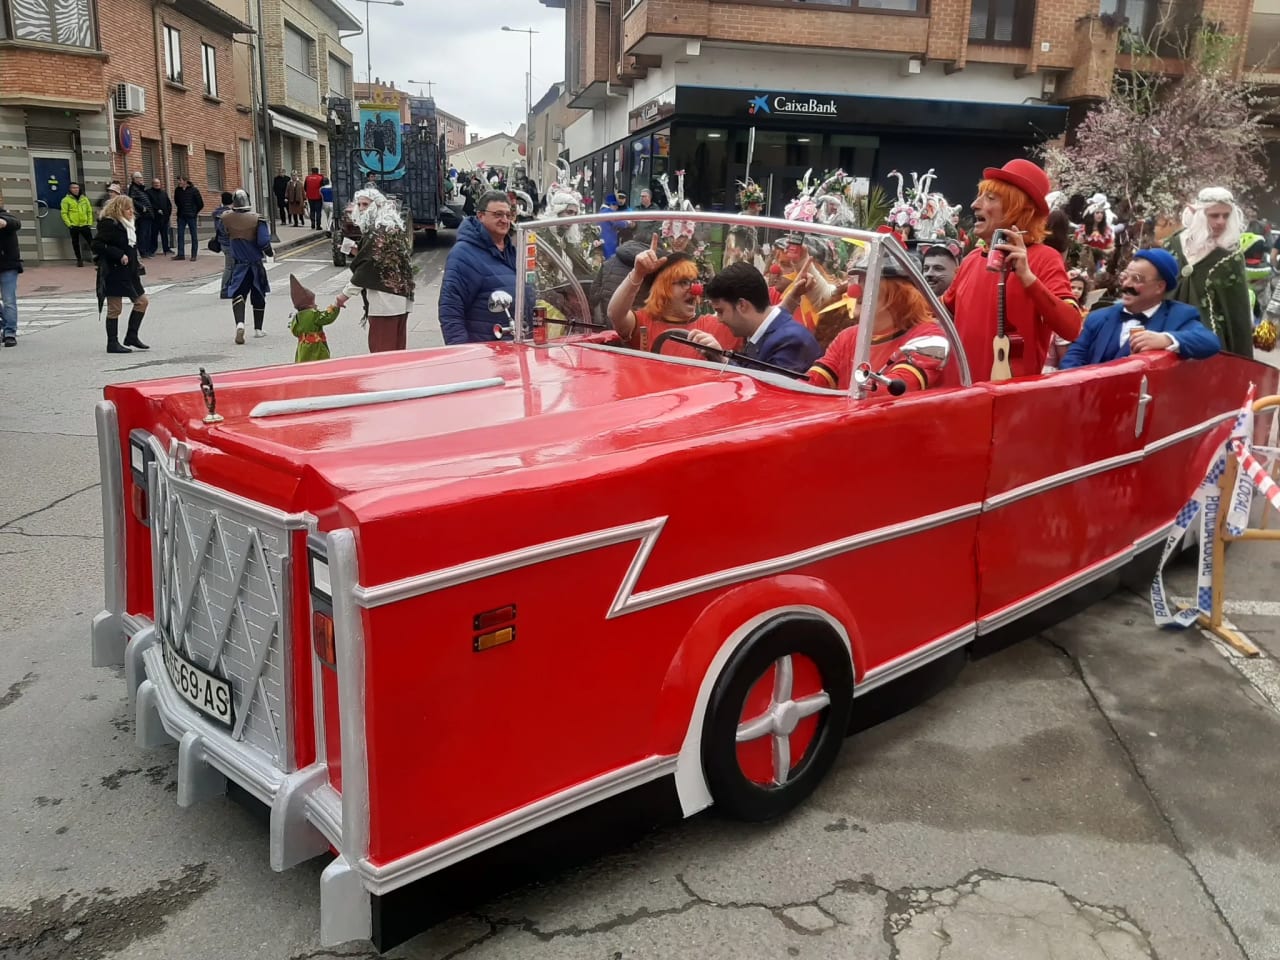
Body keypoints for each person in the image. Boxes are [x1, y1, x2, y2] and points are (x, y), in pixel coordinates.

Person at [943, 159, 1083, 380]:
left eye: (990, 198)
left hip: (1008, 397)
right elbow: (938, 313)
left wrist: (1028, 278)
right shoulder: (971, 260)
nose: (975, 204)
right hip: (959, 393)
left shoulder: (1045, 259)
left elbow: (1071, 328)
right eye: (980, 196)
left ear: (1018, 210)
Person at [1060, 248, 1220, 369]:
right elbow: (1073, 359)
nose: (1126, 284)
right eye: (1125, 277)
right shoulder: (1097, 317)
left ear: (1159, 287)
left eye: (1136, 279)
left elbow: (1209, 342)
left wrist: (1166, 339)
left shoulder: (1178, 316)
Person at [806, 262, 947, 393]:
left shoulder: (927, 337)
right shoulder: (848, 336)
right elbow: (813, 382)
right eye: (858, 281)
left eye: (868, 282)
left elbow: (893, 391)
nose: (854, 292)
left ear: (899, 292)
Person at [606, 235, 737, 359]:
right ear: (663, 289)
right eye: (684, 282)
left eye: (694, 282)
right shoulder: (644, 322)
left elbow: (747, 326)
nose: (694, 290)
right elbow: (615, 315)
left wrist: (721, 358)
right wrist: (637, 273)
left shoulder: (716, 324)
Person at [1165, 187, 1253, 359]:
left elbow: (1237, 311)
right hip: (1165, 331)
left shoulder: (1231, 256)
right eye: (1214, 215)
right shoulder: (1173, 244)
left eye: (1226, 215)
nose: (1221, 221)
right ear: (1198, 214)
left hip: (1208, 342)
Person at [686, 262, 821, 374]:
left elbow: (768, 392)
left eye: (720, 311)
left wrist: (722, 360)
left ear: (742, 305)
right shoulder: (766, 333)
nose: (719, 320)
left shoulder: (791, 342)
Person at [337, 188, 415, 352]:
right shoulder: (393, 228)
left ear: (378, 206)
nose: (361, 208)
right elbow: (385, 260)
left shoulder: (376, 233)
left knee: (382, 353)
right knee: (397, 352)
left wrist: (343, 296)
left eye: (365, 204)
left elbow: (367, 268)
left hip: (384, 301)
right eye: (359, 204)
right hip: (400, 297)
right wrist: (358, 251)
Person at [438, 190, 517, 344]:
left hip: (517, 346)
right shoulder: (463, 254)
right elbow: (450, 310)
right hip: (486, 349)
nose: (504, 220)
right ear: (480, 216)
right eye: (498, 214)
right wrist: (462, 352)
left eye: (508, 215)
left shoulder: (513, 249)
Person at [92, 193, 150, 353]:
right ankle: (112, 343)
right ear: (118, 209)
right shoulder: (109, 224)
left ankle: (132, 336)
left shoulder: (129, 224)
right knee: (115, 308)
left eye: (131, 208)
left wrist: (136, 260)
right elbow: (96, 244)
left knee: (142, 302)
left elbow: (131, 246)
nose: (131, 211)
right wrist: (119, 255)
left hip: (130, 272)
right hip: (114, 271)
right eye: (127, 208)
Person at [220, 189, 272, 344]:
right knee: (258, 294)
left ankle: (240, 324)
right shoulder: (257, 220)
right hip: (255, 264)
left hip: (239, 265)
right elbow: (263, 242)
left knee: (238, 294)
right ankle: (258, 329)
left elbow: (221, 236)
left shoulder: (226, 218)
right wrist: (269, 252)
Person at [289, 274, 341, 362]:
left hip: (302, 346)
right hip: (315, 346)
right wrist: (335, 307)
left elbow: (294, 331)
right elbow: (326, 318)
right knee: (319, 363)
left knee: (304, 363)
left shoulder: (297, 316)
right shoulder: (313, 314)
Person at [0, 193, 22, 347]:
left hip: (8, 265)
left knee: (9, 300)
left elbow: (15, 223)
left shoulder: (6, 217)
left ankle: (10, 333)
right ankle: (4, 324)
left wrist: (4, 222)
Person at [60, 181, 95, 268]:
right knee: (75, 243)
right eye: (73, 188)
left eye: (77, 188)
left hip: (85, 224)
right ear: (70, 189)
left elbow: (89, 211)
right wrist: (69, 224)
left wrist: (89, 222)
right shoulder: (66, 200)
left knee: (91, 242)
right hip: (74, 225)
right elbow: (64, 213)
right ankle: (79, 260)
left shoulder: (84, 199)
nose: (76, 189)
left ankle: (97, 258)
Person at [172, 175, 203, 261]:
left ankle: (194, 255)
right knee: (180, 235)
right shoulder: (177, 190)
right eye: (178, 181)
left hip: (191, 216)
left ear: (185, 181)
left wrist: (194, 212)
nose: (179, 182)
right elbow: (176, 201)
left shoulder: (194, 190)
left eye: (180, 180)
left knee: (193, 235)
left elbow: (200, 204)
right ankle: (180, 254)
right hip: (181, 215)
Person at [127, 172, 155, 258]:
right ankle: (143, 252)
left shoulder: (141, 188)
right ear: (135, 179)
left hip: (148, 214)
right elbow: (132, 200)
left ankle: (147, 251)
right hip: (142, 215)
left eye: (141, 178)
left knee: (147, 234)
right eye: (139, 178)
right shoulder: (133, 188)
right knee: (143, 234)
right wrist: (142, 208)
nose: (141, 180)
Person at [211, 190, 234, 296]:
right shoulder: (227, 215)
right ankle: (225, 289)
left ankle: (230, 287)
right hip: (229, 243)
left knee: (231, 266)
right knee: (229, 267)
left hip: (223, 243)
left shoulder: (218, 213)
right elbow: (227, 230)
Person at [598, 194, 630, 260]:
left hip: (601, 239)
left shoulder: (601, 212)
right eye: (616, 205)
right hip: (609, 241)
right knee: (610, 259)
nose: (617, 208)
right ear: (612, 204)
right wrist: (627, 223)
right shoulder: (609, 212)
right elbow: (618, 223)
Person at [146, 177, 172, 256]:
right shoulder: (148, 192)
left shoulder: (163, 193)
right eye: (155, 183)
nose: (157, 185)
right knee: (154, 235)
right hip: (154, 218)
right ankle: (152, 250)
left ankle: (166, 249)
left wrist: (167, 215)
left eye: (158, 183)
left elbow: (169, 204)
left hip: (164, 218)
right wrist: (156, 210)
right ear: (152, 184)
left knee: (165, 235)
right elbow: (149, 204)